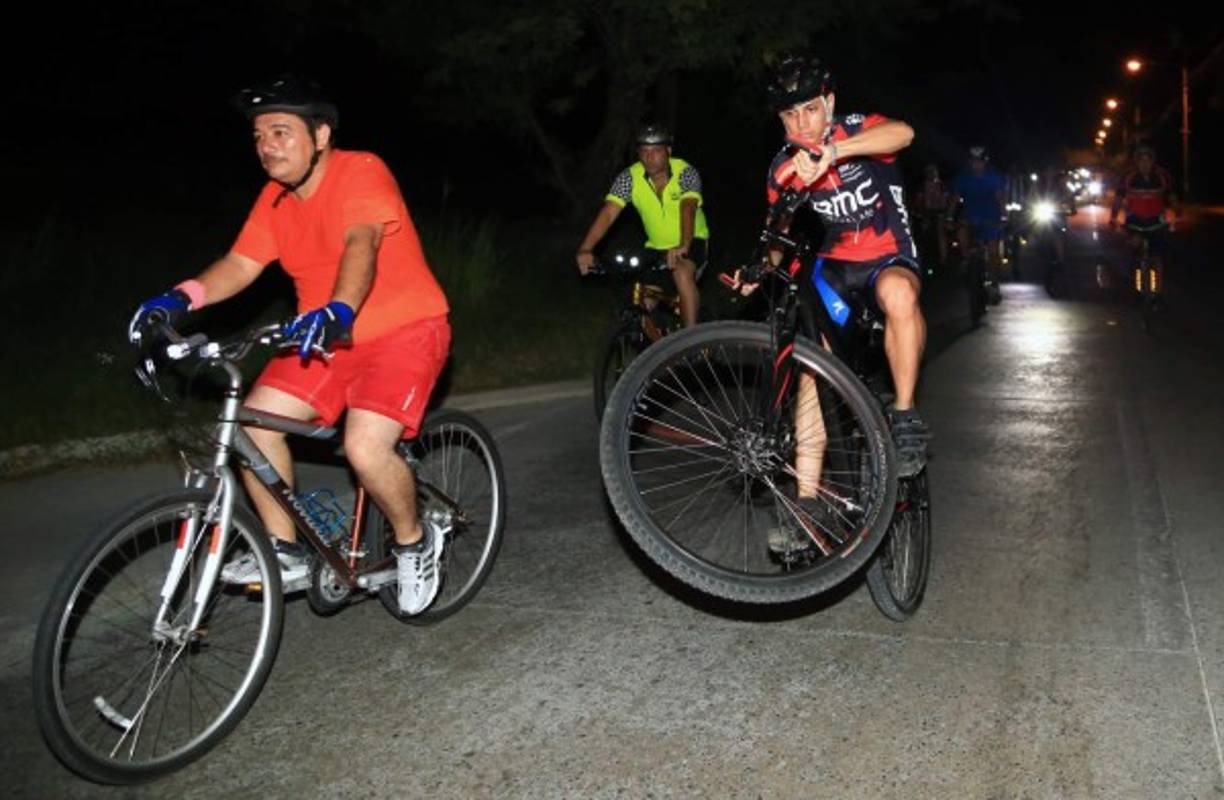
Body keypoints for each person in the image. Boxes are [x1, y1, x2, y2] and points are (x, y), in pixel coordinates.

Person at [128, 76, 452, 616]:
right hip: (320, 340)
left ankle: (414, 543)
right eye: (259, 136)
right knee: (252, 427)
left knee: (364, 448)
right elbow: (241, 264)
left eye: (281, 132)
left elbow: (362, 240)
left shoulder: (360, 170)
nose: (266, 146)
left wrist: (340, 308)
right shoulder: (274, 200)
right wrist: (180, 298)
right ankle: (284, 552)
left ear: (320, 135)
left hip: (403, 332)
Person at [729, 54, 929, 554]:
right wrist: (758, 270)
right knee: (810, 371)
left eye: (811, 110)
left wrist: (835, 151)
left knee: (899, 294)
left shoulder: (858, 130)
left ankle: (904, 415)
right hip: (836, 269)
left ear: (830, 104)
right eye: (789, 115)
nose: (802, 125)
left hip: (889, 257)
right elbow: (777, 234)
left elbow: (904, 134)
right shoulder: (784, 167)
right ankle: (806, 507)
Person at [575, 124, 710, 327]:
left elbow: (688, 208)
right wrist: (586, 248)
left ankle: (691, 339)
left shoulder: (685, 172)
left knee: (681, 272)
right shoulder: (629, 178)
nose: (649, 157)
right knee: (642, 301)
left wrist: (683, 245)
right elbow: (609, 212)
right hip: (656, 248)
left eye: (656, 150)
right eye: (644, 151)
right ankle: (652, 346)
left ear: (668, 150)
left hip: (692, 241)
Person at [1110, 145, 1178, 299]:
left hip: (1156, 221)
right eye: (1142, 161)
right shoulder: (1128, 176)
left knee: (1157, 258)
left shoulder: (1162, 176)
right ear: (1137, 162)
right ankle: (1137, 288)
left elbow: (1172, 197)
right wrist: (1113, 217)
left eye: (1148, 160)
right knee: (1136, 254)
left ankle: (1157, 292)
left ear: (1153, 161)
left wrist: (1176, 213)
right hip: (1134, 220)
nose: (1145, 164)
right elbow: (1118, 199)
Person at [949, 146, 1006, 301]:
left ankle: (994, 284)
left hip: (991, 217)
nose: (977, 165)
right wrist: (949, 217)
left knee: (994, 253)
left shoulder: (994, 176)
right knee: (961, 232)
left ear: (985, 162)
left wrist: (1004, 217)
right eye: (974, 161)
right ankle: (967, 259)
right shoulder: (963, 177)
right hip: (970, 217)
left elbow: (1000, 198)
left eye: (980, 161)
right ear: (970, 162)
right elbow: (955, 199)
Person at [914, 163, 950, 268]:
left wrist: (945, 213)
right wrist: (919, 212)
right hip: (927, 213)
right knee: (922, 231)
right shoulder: (922, 186)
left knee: (941, 231)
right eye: (929, 171)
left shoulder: (942, 185)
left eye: (933, 171)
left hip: (940, 212)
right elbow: (919, 201)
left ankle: (944, 258)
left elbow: (946, 201)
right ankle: (922, 256)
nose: (931, 174)